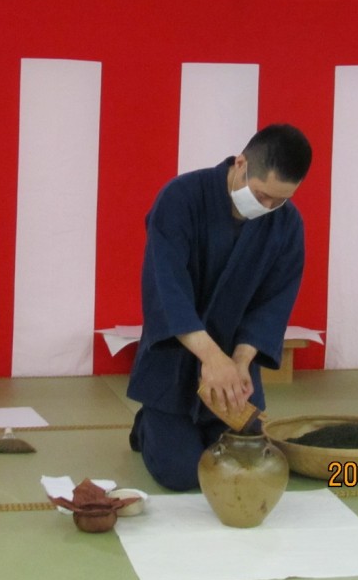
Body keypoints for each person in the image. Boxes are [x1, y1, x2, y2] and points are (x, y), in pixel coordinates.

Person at [127, 124, 312, 490]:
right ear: (241, 163)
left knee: (247, 460)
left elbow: (272, 305)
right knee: (182, 474)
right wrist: (212, 360)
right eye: (262, 195)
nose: (269, 207)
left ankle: (203, 412)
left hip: (234, 363)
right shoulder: (181, 197)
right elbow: (167, 288)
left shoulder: (287, 225)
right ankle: (149, 424)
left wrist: (240, 362)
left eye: (281, 199)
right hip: (177, 355)